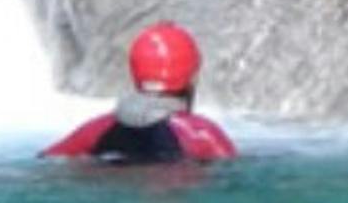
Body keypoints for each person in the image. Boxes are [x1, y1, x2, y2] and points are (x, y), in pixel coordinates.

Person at [42, 22, 237, 163]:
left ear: (134, 72)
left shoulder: (95, 130)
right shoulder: (201, 134)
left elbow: (45, 162)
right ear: (192, 77)